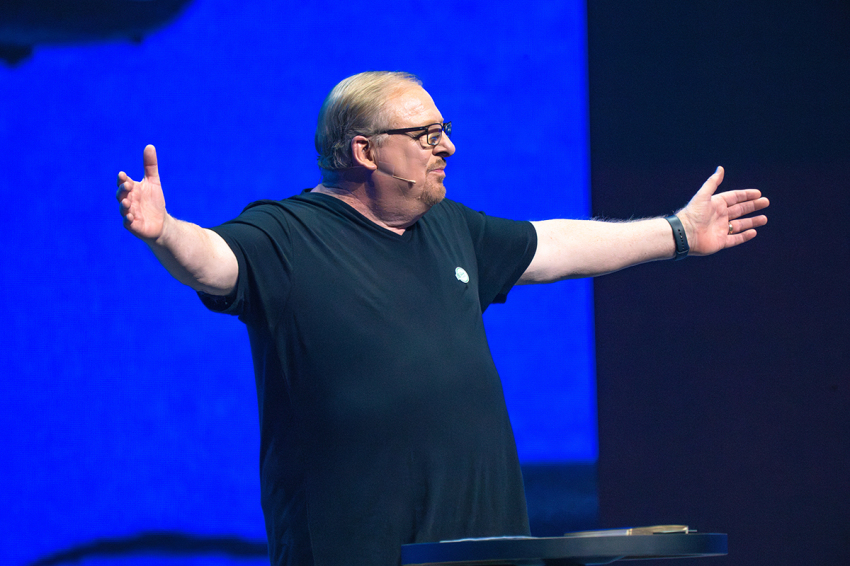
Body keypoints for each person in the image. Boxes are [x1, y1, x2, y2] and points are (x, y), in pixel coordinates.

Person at [116, 71, 769, 566]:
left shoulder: (450, 229)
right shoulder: (286, 235)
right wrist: (165, 232)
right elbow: (215, 262)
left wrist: (678, 232)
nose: (448, 148)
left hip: (479, 546)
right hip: (358, 549)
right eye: (427, 136)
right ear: (365, 151)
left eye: (444, 131)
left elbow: (559, 246)